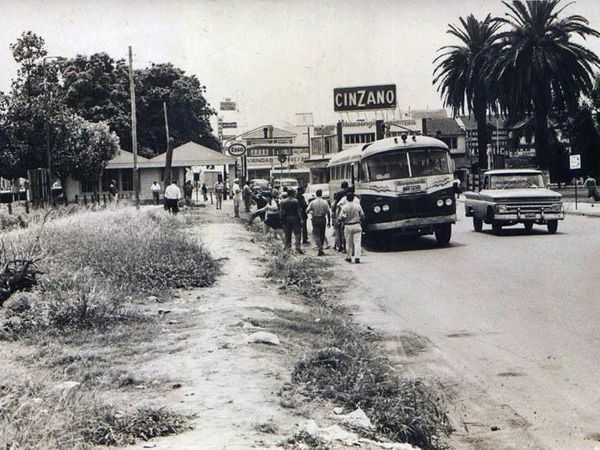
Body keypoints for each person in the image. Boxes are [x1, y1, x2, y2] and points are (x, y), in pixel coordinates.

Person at [339, 191, 364, 263]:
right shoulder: (358, 206)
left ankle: (349, 257)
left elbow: (342, 218)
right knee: (357, 242)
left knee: (348, 242)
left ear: (346, 198)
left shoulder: (344, 207)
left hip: (348, 226)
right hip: (357, 225)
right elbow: (362, 215)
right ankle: (357, 257)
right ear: (353, 198)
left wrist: (343, 221)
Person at [306, 189, 331, 256]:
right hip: (323, 219)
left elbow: (307, 211)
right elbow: (328, 212)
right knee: (322, 234)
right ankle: (321, 249)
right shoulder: (325, 202)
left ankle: (319, 248)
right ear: (321, 194)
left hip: (315, 219)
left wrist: (312, 212)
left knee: (316, 235)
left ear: (316, 194)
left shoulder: (312, 202)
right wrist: (329, 222)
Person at [279, 188, 303, 253]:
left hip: (286, 219)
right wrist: (301, 219)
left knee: (287, 234)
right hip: (295, 219)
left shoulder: (283, 201)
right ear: (292, 193)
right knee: (297, 234)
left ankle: (288, 248)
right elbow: (298, 211)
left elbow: (281, 212)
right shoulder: (296, 201)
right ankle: (297, 248)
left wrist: (281, 219)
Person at [332, 181, 348, 252]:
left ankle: (339, 246)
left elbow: (334, 204)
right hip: (349, 213)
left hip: (339, 213)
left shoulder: (338, 194)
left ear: (341, 186)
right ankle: (345, 247)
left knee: (338, 231)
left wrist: (333, 212)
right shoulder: (350, 193)